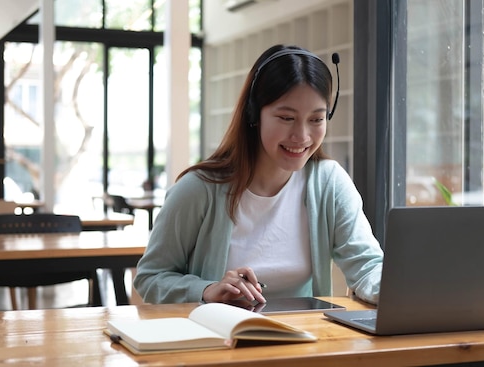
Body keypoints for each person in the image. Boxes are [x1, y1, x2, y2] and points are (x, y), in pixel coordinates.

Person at [133, 44, 383, 305]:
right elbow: (151, 277)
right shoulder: (199, 189)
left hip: (304, 340)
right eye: (286, 118)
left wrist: (394, 289)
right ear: (254, 115)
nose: (302, 136)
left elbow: (367, 266)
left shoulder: (329, 182)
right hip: (218, 339)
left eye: (316, 119)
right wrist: (207, 291)